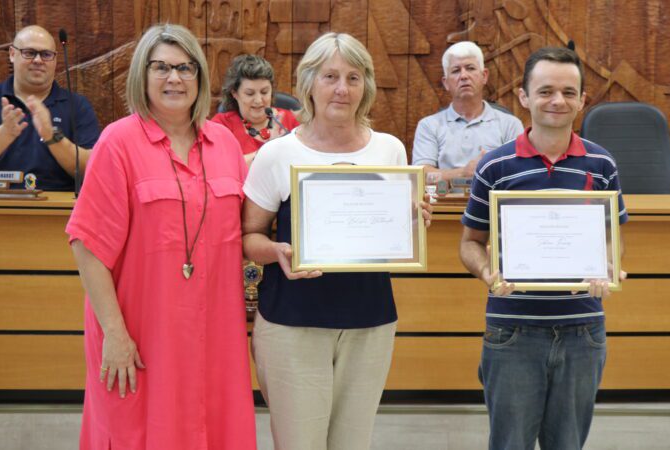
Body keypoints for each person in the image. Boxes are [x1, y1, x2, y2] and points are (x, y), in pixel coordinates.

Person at [65, 23, 256, 449]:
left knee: (215, 430)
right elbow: (88, 245)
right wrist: (114, 333)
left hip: (215, 337)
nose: (174, 78)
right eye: (161, 68)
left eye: (185, 67)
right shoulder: (117, 143)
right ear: (142, 75)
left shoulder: (224, 143)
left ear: (200, 77)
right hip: (140, 337)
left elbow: (254, 225)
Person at [242, 32, 432, 450]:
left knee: (353, 443)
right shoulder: (278, 154)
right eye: (330, 76)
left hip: (370, 322)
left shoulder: (390, 150)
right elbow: (248, 237)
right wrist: (276, 251)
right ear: (309, 82)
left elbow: (397, 235)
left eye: (353, 77)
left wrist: (413, 223)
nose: (342, 89)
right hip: (294, 324)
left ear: (366, 86)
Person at [459, 47, 628, 450]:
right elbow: (470, 243)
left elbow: (611, 238)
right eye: (546, 90)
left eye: (569, 92)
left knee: (568, 444)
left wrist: (609, 265)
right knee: (509, 444)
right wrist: (486, 272)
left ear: (583, 100)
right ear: (523, 96)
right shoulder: (495, 167)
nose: (557, 101)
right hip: (513, 330)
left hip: (582, 330)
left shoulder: (602, 165)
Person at [0, 25, 100, 191]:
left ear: (55, 60)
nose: (38, 60)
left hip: (57, 210)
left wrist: (51, 135)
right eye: (29, 53)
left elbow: (94, 169)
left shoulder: (77, 105)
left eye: (46, 54)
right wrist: (4, 134)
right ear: (12, 54)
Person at [412, 41, 523, 182]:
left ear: (484, 76)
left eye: (470, 68)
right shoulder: (429, 125)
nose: (464, 76)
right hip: (444, 203)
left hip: (492, 203)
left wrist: (486, 170)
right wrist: (463, 173)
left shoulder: (510, 124)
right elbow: (422, 175)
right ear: (446, 83)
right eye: (456, 70)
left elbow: (519, 173)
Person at [212, 54, 300, 165]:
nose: (258, 100)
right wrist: (268, 151)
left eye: (264, 92)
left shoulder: (289, 120)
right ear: (235, 93)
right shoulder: (221, 125)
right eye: (250, 93)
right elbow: (220, 168)